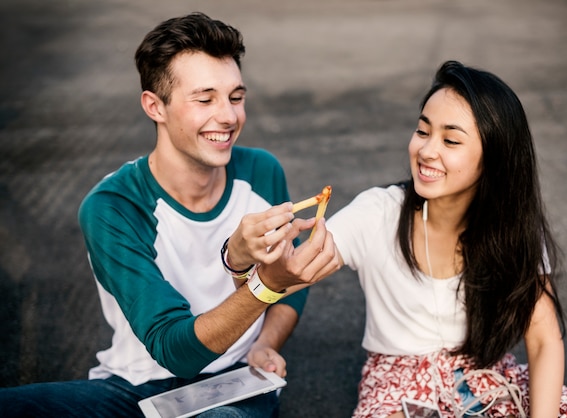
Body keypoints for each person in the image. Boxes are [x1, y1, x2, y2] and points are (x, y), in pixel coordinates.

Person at [0, 12, 338, 418]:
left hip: (232, 383)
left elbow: (292, 285)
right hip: (132, 386)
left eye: (236, 96)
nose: (229, 117)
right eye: (205, 98)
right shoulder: (114, 206)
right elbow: (175, 351)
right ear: (154, 106)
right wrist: (265, 286)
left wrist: (267, 342)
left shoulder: (261, 172)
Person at [325, 61, 567, 417]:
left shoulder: (513, 228)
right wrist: (251, 257)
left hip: (487, 378)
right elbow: (298, 264)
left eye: (450, 140)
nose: (426, 151)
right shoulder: (379, 211)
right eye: (423, 131)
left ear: (494, 159)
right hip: (399, 388)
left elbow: (544, 341)